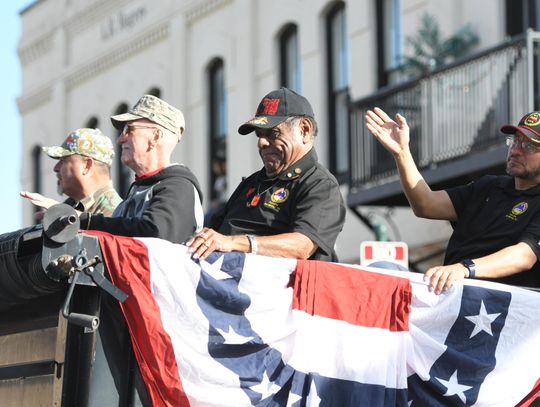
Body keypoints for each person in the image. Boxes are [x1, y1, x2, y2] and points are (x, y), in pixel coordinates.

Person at [365, 107, 540, 294]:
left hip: (495, 307)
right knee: (381, 270)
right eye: (514, 141)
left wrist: (464, 269)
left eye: (528, 146)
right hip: (450, 295)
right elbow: (426, 204)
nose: (515, 150)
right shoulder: (489, 186)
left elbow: (524, 256)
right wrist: (401, 153)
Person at [187, 87, 346, 262]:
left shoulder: (320, 185)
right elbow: (214, 233)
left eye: (273, 134)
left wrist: (233, 242)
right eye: (259, 135)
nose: (261, 142)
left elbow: (302, 246)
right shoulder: (251, 184)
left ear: (304, 130)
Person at [77, 94, 204, 244]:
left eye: (128, 129)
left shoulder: (179, 187)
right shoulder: (135, 193)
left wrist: (84, 220)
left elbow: (155, 235)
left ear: (155, 136)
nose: (120, 139)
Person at [21, 128, 121, 217]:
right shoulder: (71, 207)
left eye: (63, 160)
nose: (55, 168)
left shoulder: (116, 212)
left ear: (87, 165)